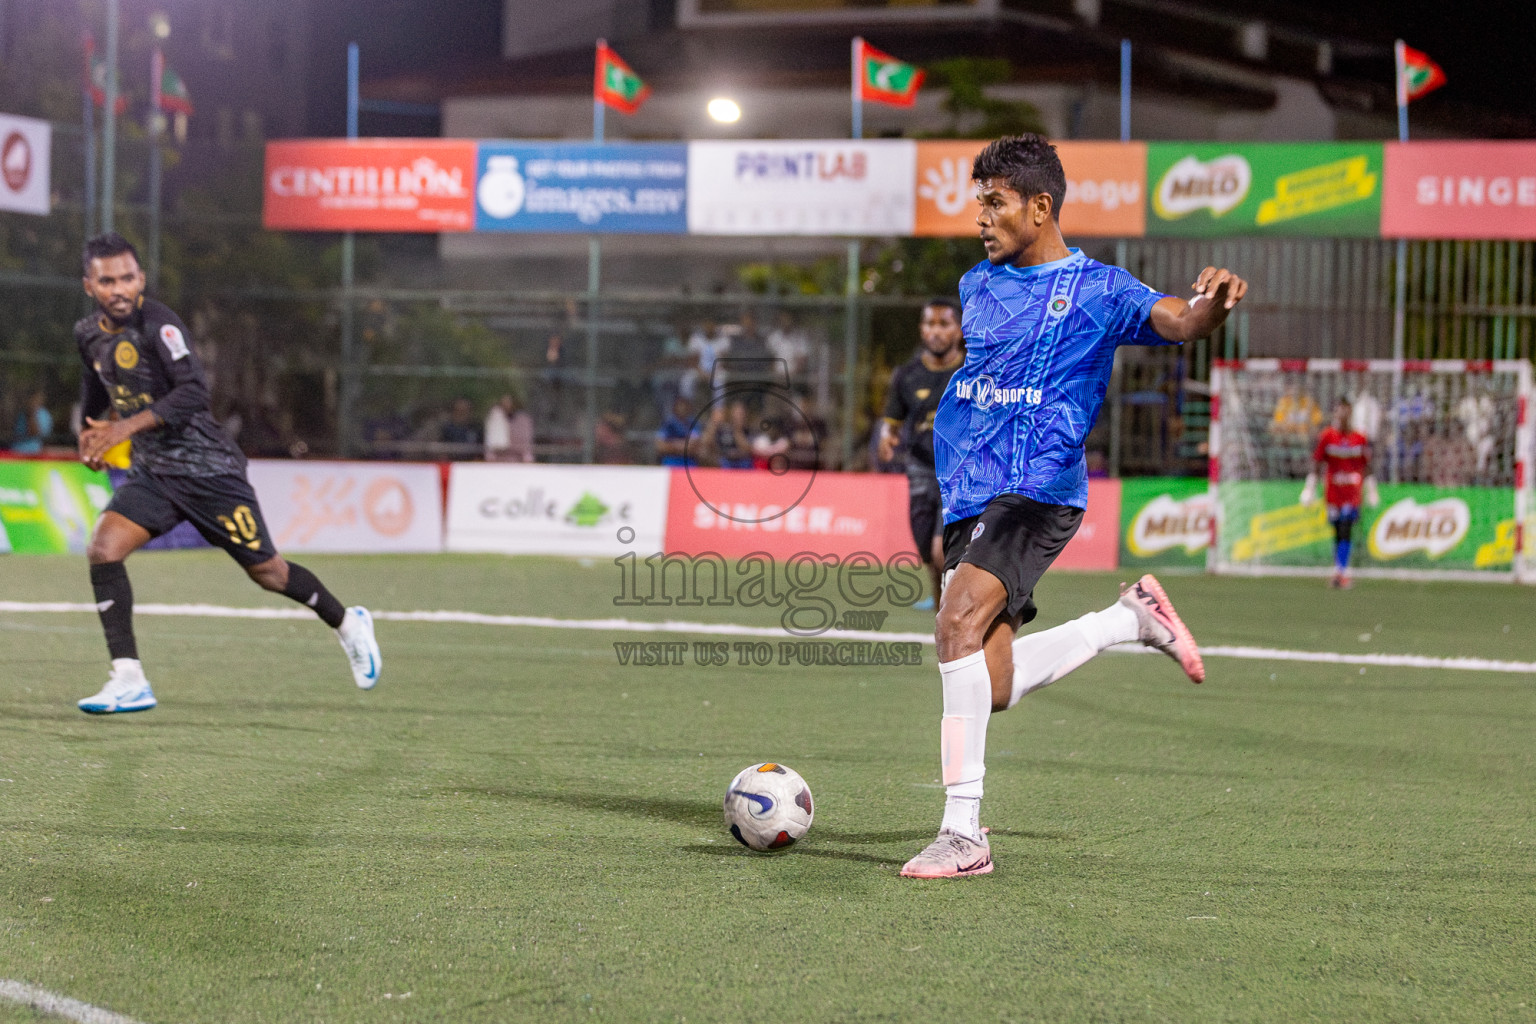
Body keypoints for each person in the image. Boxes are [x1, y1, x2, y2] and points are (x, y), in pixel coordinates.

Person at [902, 135, 1248, 879]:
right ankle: (1129, 619)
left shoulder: (1100, 290)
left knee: (956, 620)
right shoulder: (976, 285)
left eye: (994, 203)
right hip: (970, 496)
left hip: (1038, 489)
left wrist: (1209, 308)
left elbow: (1179, 321)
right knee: (989, 684)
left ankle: (963, 834)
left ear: (1040, 205)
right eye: (977, 203)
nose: (980, 218)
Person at [70, 233, 381, 714]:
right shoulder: (88, 333)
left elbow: (194, 392)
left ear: (142, 279)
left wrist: (123, 428)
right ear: (89, 285)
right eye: (107, 280)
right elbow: (96, 381)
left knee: (270, 573)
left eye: (128, 277)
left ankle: (348, 623)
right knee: (103, 549)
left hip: (209, 472)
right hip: (155, 474)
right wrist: (90, 431)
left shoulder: (160, 325)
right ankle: (128, 678)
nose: (120, 288)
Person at [878, 299, 966, 611]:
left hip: (959, 469)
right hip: (919, 466)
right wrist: (886, 439)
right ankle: (941, 600)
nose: (936, 331)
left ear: (958, 329)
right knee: (926, 551)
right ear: (922, 329)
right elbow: (891, 421)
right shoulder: (907, 374)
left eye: (944, 324)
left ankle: (951, 608)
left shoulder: (972, 371)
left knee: (942, 549)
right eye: (930, 324)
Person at [1301, 397, 1378, 589]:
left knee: (1345, 528)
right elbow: (1317, 462)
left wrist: (1371, 490)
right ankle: (1339, 569)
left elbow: (1366, 465)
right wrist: (1310, 488)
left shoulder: (1360, 438)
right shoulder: (1327, 436)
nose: (1342, 416)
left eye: (1346, 411)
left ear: (1351, 414)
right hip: (1333, 492)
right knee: (1337, 530)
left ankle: (1341, 571)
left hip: (1352, 493)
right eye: (1339, 411)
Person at [484, 394, 534, 462]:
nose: (507, 405)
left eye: (508, 402)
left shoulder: (523, 420)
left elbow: (526, 441)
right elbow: (490, 442)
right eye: (504, 403)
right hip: (498, 459)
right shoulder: (495, 419)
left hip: (517, 458)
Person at [655, 396, 700, 467]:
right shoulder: (668, 424)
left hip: (689, 464)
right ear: (674, 408)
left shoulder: (693, 424)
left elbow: (694, 446)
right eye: (679, 406)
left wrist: (672, 444)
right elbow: (660, 446)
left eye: (684, 406)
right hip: (670, 463)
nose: (682, 409)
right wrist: (683, 446)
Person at [12, 389, 53, 453]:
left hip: (34, 454)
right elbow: (17, 434)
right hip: (15, 452)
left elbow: (37, 434)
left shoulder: (44, 414)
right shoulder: (22, 414)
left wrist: (31, 415)